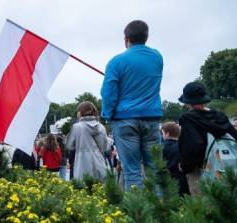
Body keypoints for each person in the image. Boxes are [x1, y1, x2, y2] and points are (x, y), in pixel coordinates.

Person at [100, 20, 163, 191]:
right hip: (151, 119)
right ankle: (160, 213)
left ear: (126, 39)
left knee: (132, 172)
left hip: (124, 120)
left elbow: (108, 93)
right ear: (146, 37)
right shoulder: (157, 57)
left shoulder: (116, 62)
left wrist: (107, 114)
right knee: (155, 171)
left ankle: (137, 215)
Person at [178, 82, 237, 196]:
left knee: (204, 208)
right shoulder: (220, 116)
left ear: (188, 102)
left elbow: (193, 147)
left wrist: (184, 167)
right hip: (230, 169)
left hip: (201, 171)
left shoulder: (189, 120)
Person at [66, 101, 109, 181]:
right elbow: (104, 147)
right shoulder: (101, 127)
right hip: (100, 163)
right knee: (100, 190)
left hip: (82, 165)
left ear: (79, 113)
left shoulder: (77, 127)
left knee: (84, 190)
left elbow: (69, 145)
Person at [161, 122, 190, 196]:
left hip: (169, 180)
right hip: (183, 181)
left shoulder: (163, 147)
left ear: (167, 133)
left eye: (163, 133)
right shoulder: (184, 146)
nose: (162, 135)